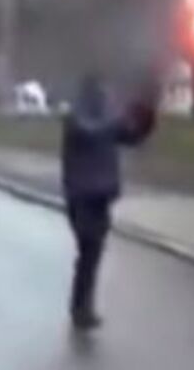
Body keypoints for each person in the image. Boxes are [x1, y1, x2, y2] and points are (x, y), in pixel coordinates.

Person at [61, 74, 156, 331]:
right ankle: (81, 307)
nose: (107, 97)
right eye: (102, 92)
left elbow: (130, 136)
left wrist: (146, 118)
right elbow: (90, 131)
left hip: (101, 195)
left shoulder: (106, 118)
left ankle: (82, 307)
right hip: (81, 195)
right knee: (88, 248)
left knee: (92, 254)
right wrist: (117, 121)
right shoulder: (77, 118)